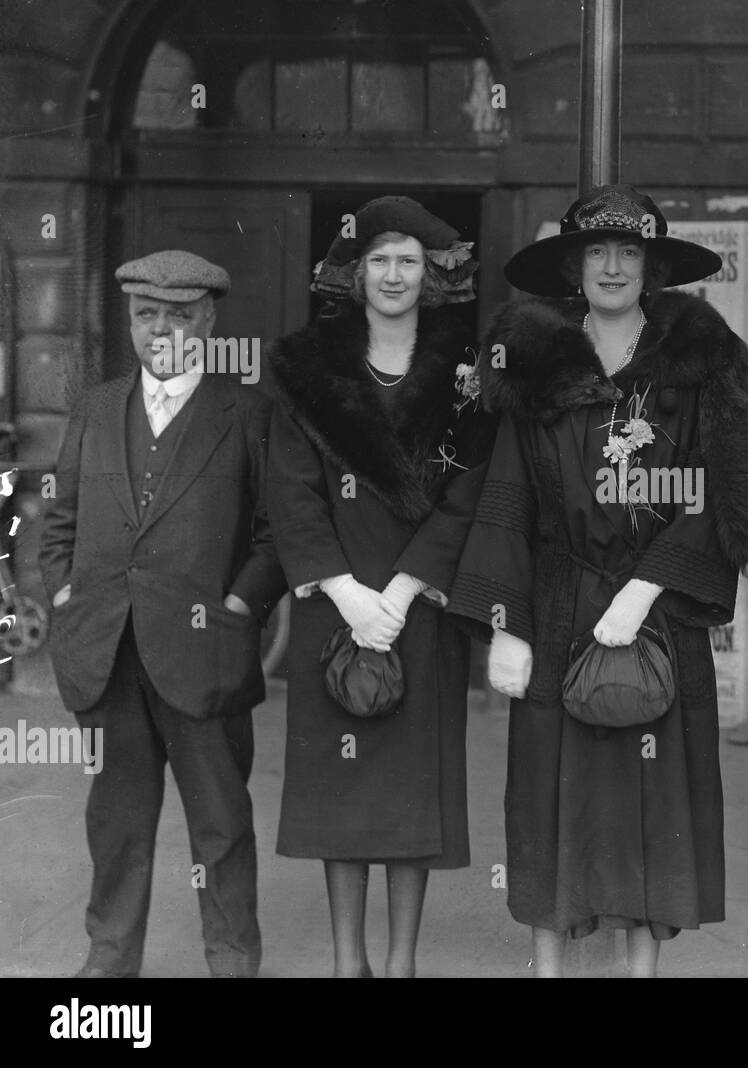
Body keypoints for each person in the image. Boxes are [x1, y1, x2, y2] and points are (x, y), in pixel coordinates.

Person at [447, 183, 748, 977]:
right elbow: (509, 493)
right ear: (574, 265)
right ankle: (550, 970)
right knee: (548, 796)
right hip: (557, 607)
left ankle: (638, 974)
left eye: (631, 252)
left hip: (655, 616)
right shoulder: (535, 363)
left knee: (649, 804)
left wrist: (645, 588)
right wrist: (508, 622)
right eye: (599, 252)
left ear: (653, 267)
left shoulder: (699, 363)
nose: (615, 266)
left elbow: (719, 486)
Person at [38, 250, 286, 977]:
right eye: (148, 316)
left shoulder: (249, 413)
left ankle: (233, 959)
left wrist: (239, 604)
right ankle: (109, 961)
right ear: (131, 320)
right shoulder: (94, 407)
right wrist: (64, 596)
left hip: (205, 656)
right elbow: (59, 523)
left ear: (207, 321)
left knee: (221, 824)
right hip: (108, 653)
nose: (162, 331)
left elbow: (276, 536)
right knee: (115, 824)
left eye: (179, 316)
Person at [266, 196, 495, 978]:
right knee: (342, 793)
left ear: (429, 276)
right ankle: (346, 961)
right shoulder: (307, 369)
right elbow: (291, 493)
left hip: (417, 616)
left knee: (409, 797)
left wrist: (398, 595)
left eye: (410, 261)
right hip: (335, 612)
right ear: (354, 274)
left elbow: (469, 492)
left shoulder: (464, 374)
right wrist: (346, 592)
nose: (395, 275)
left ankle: (399, 965)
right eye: (380, 260)